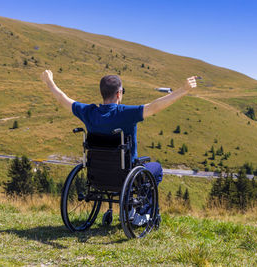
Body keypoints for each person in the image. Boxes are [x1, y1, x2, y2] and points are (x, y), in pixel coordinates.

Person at [41, 70, 198, 225]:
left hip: (97, 175)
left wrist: (49, 82)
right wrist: (183, 90)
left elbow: (63, 99)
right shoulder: (126, 113)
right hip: (127, 176)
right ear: (119, 93)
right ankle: (141, 213)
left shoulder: (89, 112)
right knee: (156, 168)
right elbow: (155, 106)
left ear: (102, 93)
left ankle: (132, 209)